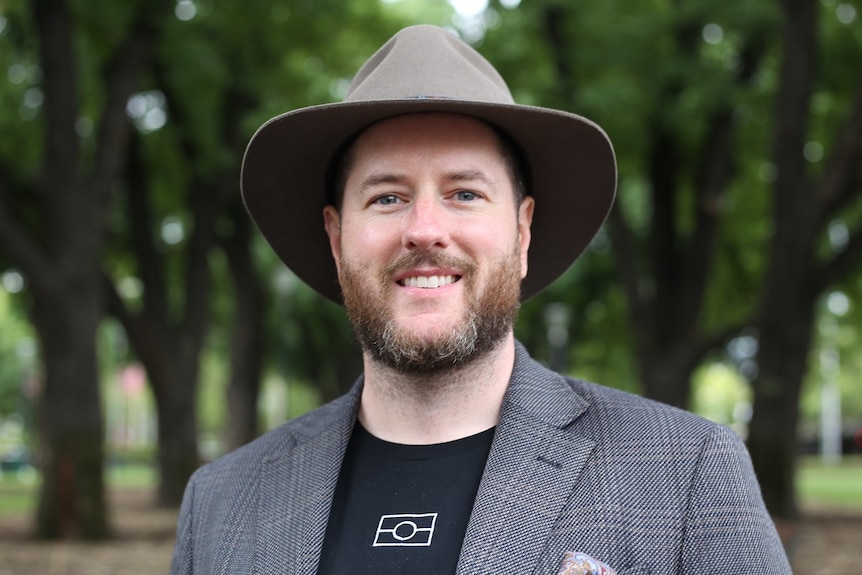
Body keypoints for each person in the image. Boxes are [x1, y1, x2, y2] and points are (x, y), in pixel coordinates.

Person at [170, 25, 791, 575]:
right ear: (336, 238)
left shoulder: (683, 475)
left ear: (522, 233)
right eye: (387, 197)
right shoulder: (221, 502)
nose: (424, 228)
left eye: (464, 193)